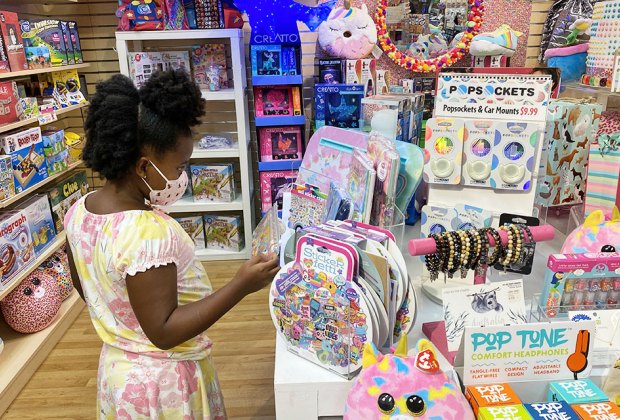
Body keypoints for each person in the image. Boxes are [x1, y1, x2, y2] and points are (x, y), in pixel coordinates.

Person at [64, 69, 279, 419]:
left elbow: (86, 287)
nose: (183, 177)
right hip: (162, 383)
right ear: (145, 168)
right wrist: (241, 284)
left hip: (118, 373)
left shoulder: (79, 211)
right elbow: (164, 331)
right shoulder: (147, 233)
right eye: (179, 167)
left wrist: (124, 322)